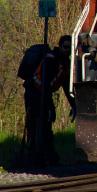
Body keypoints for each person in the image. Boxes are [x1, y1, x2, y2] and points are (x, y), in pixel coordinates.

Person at [22, 36, 73, 167]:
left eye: (70, 48)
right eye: (65, 47)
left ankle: (47, 156)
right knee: (33, 127)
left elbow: (66, 86)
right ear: (60, 46)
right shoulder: (51, 59)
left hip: (43, 95)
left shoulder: (65, 63)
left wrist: (74, 105)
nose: (67, 50)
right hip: (33, 94)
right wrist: (50, 105)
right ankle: (32, 157)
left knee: (46, 127)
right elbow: (44, 83)